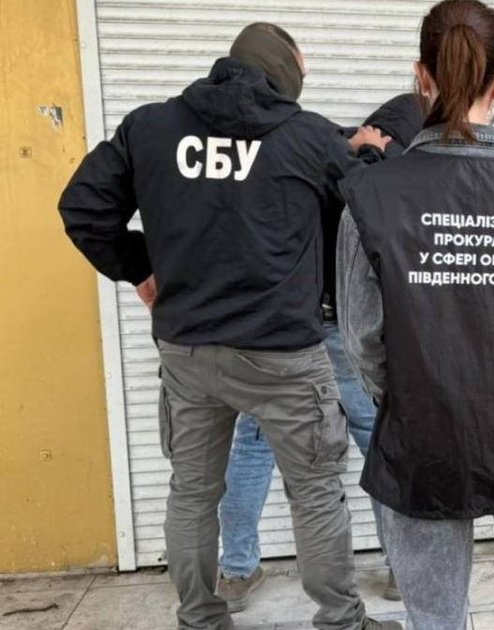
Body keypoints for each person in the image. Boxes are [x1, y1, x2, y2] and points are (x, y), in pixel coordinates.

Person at [58, 22, 399, 630]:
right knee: (315, 492)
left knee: (192, 493)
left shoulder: (151, 127)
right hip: (283, 356)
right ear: (283, 72)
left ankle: (200, 618)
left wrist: (139, 269)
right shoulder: (306, 135)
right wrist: (368, 152)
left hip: (188, 351)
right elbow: (368, 204)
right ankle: (341, 621)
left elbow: (83, 207)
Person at [337, 1, 494, 628]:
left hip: (423, 431)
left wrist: (413, 393)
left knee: (436, 617)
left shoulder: (371, 197)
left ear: (421, 77)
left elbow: (362, 338)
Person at [215, 95, 424, 612]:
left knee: (255, 444)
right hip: (337, 328)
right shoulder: (380, 168)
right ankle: (400, 569)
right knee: (378, 442)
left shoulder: (308, 146)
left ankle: (236, 572)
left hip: (277, 328)